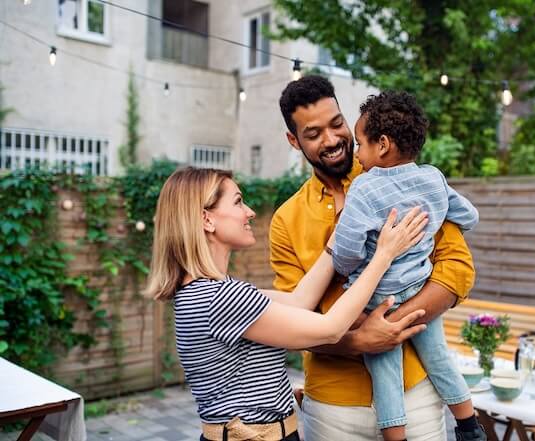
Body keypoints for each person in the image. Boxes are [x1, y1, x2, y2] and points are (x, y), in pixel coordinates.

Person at [145, 167, 429, 441]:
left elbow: (299, 301)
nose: (250, 212)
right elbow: (330, 328)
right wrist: (384, 255)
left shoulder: (205, 292)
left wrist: (338, 239)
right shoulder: (221, 298)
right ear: (207, 220)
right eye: (238, 202)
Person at [271, 75, 477, 441]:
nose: (333, 139)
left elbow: (457, 270)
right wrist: (359, 340)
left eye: (337, 124)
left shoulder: (400, 178)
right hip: (333, 406)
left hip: (416, 394)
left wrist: (390, 325)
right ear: (292, 140)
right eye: (314, 133)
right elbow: (292, 323)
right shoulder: (286, 221)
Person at [330, 91, 484, 441]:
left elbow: (347, 253)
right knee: (440, 357)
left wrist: (342, 261)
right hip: (419, 288)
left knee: (386, 373)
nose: (357, 154)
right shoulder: (432, 178)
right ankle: (469, 426)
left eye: (360, 144)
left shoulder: (364, 189)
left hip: (379, 302)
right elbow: (470, 216)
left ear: (382, 145)